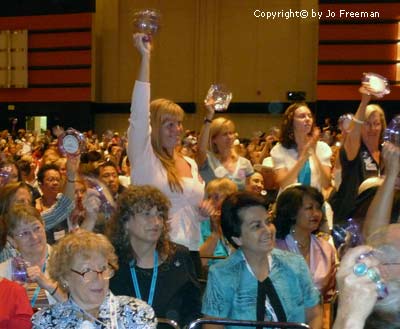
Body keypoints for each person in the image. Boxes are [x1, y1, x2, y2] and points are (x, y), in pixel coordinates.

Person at [127, 33, 212, 276]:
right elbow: (139, 113)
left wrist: (202, 213)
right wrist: (146, 58)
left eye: (179, 123)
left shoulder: (188, 163)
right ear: (154, 127)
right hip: (154, 253)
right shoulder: (145, 158)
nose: (177, 130)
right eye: (169, 124)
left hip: (191, 253)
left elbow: (187, 211)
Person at [202, 192, 323, 329]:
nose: (268, 230)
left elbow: (314, 315)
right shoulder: (222, 275)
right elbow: (212, 326)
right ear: (237, 238)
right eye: (256, 226)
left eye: (268, 222)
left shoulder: (295, 264)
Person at [108, 185, 202, 327]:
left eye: (160, 215)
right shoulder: (111, 261)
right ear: (125, 221)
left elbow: (193, 313)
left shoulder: (179, 256)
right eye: (147, 214)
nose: (157, 222)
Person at [32, 230, 157, 329]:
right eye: (87, 271)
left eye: (103, 268)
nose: (99, 278)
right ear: (65, 277)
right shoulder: (46, 322)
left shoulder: (135, 312)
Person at [330, 83, 387, 224]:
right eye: (367, 123)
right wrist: (364, 101)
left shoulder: (386, 155)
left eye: (376, 123)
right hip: (350, 220)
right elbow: (353, 134)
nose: (372, 128)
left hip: (377, 219)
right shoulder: (354, 150)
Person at [274, 185, 337, 302]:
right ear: (291, 212)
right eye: (309, 208)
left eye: (318, 208)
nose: (316, 213)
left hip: (318, 316)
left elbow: (330, 295)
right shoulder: (274, 248)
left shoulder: (326, 249)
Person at [0, 205, 66, 309]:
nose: (34, 237)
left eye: (37, 228)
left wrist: (50, 286)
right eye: (25, 233)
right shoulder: (3, 273)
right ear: (12, 241)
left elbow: (81, 309)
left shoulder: (67, 262)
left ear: (44, 226)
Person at [270, 103, 332, 192]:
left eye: (310, 116)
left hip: (314, 202)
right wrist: (303, 158)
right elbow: (284, 184)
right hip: (289, 202)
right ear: (291, 122)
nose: (307, 119)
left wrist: (313, 153)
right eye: (302, 116)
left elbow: (326, 184)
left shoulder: (322, 148)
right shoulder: (280, 149)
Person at [196, 106, 253, 189]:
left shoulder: (245, 163)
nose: (229, 137)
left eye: (231, 133)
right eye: (225, 134)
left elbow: (248, 191)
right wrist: (209, 117)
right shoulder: (207, 160)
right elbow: (201, 148)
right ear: (213, 139)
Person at [200, 178, 237, 267]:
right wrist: (215, 233)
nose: (210, 202)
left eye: (216, 198)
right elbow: (200, 262)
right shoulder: (201, 223)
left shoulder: (236, 223)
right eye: (208, 197)